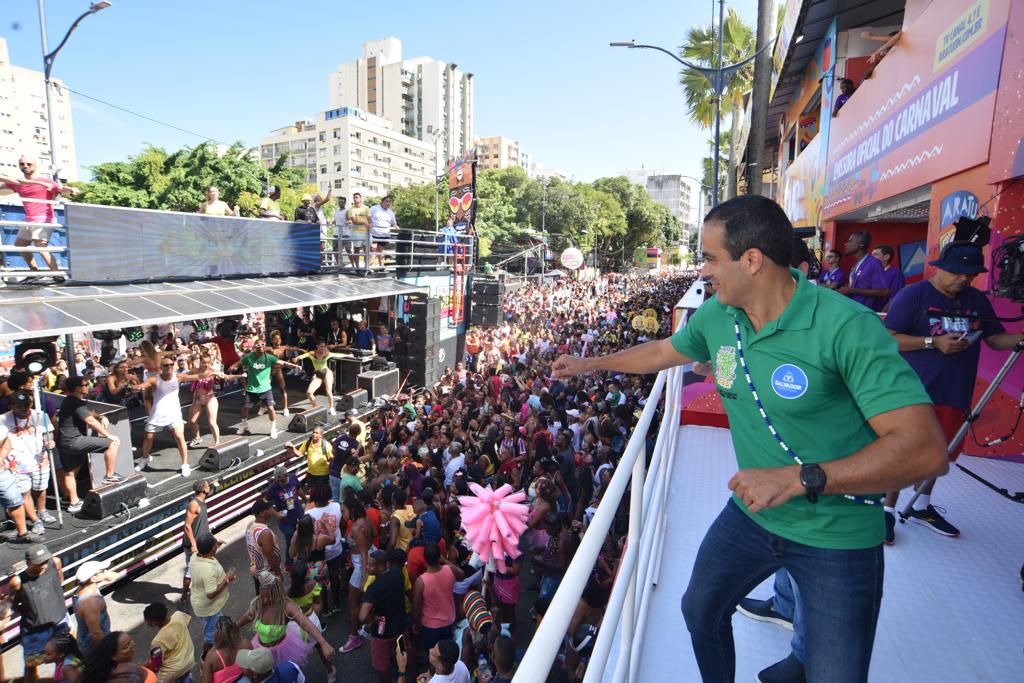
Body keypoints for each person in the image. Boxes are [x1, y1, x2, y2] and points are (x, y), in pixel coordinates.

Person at [552, 194, 947, 682]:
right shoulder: (718, 316)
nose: (702, 271)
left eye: (710, 258)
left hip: (839, 534)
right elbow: (660, 352)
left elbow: (925, 450)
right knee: (699, 611)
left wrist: (797, 479)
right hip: (754, 516)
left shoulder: (848, 326)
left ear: (752, 260)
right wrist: (589, 364)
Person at [883, 241, 1022, 542]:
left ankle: (921, 505)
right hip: (912, 392)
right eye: (958, 272)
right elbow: (889, 338)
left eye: (970, 274)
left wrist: (1018, 338)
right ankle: (886, 510)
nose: (964, 279)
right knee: (903, 451)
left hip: (955, 392)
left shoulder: (976, 299)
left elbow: (995, 339)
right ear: (941, 267)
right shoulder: (914, 295)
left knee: (939, 454)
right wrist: (933, 342)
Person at [235, 571, 332, 669]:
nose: (264, 601)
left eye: (267, 597)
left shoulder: (286, 606)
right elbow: (248, 615)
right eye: (262, 596)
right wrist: (235, 626)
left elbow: (306, 624)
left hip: (282, 652)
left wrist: (323, 643)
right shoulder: (258, 603)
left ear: (275, 592)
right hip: (261, 650)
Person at [0, 155, 79, 272]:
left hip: (44, 219)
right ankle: (35, 271)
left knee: (41, 248)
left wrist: (71, 190)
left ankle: (57, 274)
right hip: (29, 220)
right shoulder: (17, 183)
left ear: (35, 166)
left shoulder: (46, 181)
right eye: (22, 164)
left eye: (29, 164)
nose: (25, 166)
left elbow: (61, 188)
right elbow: (3, 187)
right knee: (20, 245)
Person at [56, 376, 122, 512]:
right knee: (112, 443)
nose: (88, 387)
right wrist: (108, 434)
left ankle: (74, 503)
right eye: (85, 385)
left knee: (70, 473)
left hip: (65, 442)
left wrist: (101, 416)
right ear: (77, 388)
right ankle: (109, 476)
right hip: (74, 440)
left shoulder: (69, 400)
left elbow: (89, 414)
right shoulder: (75, 402)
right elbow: (90, 420)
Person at [136, 356, 210, 476]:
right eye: (166, 365)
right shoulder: (154, 379)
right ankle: (145, 458)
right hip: (157, 414)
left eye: (171, 364)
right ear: (161, 367)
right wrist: (136, 387)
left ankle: (185, 465)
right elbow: (143, 385)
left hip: (174, 413)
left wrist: (214, 372)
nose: (169, 366)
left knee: (179, 437)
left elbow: (198, 376)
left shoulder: (179, 377)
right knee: (148, 437)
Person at [4, 544, 69, 679]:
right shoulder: (17, 581)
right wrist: (33, 612)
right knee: (31, 665)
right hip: (35, 631)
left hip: (60, 622)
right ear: (29, 562)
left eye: (45, 560)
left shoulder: (55, 562)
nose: (44, 565)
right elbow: (14, 605)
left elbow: (60, 580)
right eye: (39, 563)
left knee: (65, 658)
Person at [2, 391, 52, 536]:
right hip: (16, 464)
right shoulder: (3, 419)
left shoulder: (40, 416)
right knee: (25, 493)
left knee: (40, 488)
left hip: (39, 460)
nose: (24, 409)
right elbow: (3, 442)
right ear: (11, 406)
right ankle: (36, 520)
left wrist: (50, 441)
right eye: (20, 406)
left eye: (27, 405)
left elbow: (48, 433)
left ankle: (42, 510)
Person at [232, 338, 301, 440]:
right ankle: (244, 425)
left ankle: (273, 428)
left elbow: (282, 362)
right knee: (245, 408)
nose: (260, 347)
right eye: (258, 345)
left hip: (265, 389)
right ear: (254, 347)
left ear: (264, 346)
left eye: (262, 345)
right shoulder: (249, 357)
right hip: (252, 389)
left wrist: (294, 366)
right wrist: (234, 366)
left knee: (271, 409)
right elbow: (239, 363)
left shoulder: (269, 358)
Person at [358, 550, 408, 683]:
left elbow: (362, 616)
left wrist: (373, 619)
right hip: (401, 629)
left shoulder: (374, 588)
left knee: (382, 665)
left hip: (382, 636)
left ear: (381, 566)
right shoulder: (397, 573)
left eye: (371, 565)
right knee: (402, 656)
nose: (367, 567)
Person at [189, 533, 235, 658]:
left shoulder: (194, 557)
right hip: (209, 609)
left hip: (200, 603)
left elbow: (206, 555)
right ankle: (206, 657)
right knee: (210, 636)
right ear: (211, 549)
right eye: (215, 545)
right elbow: (210, 594)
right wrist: (227, 579)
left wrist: (214, 547)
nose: (217, 545)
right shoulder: (208, 570)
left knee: (215, 627)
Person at [413, 543, 465, 653]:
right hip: (449, 621)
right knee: (446, 654)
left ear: (424, 559)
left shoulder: (421, 581)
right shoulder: (449, 570)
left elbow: (417, 608)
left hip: (430, 627)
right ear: (439, 556)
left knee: (432, 654)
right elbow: (462, 574)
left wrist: (416, 624)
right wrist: (445, 560)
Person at [339, 495, 373, 654]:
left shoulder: (356, 528)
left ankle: (354, 637)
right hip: (368, 559)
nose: (342, 515)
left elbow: (363, 553)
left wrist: (364, 577)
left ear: (352, 511)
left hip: (361, 565)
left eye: (344, 511)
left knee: (352, 602)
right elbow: (374, 536)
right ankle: (369, 625)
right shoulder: (366, 519)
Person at [304, 483, 345, 616]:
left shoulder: (309, 513)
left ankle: (325, 608)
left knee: (320, 583)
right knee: (335, 577)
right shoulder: (337, 506)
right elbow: (342, 523)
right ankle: (337, 603)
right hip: (336, 550)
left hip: (318, 555)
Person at [73, 560, 118, 658]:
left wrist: (104, 575)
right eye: (103, 570)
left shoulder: (87, 588)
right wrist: (110, 650)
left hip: (95, 641)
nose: (106, 571)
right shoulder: (90, 603)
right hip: (95, 647)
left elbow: (114, 576)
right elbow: (96, 633)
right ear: (93, 578)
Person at [142, 601, 195, 683]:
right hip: (189, 661)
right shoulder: (178, 615)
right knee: (186, 679)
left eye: (147, 620)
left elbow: (156, 665)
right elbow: (186, 627)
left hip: (172, 673)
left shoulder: (158, 640)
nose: (146, 622)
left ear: (154, 622)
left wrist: (145, 666)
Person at [264, 465, 305, 566]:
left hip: (298, 514)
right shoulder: (273, 488)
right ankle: (289, 563)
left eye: (283, 480)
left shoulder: (293, 478)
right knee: (290, 540)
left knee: (302, 538)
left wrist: (306, 499)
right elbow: (265, 501)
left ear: (287, 475)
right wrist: (276, 513)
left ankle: (301, 560)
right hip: (286, 520)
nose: (281, 483)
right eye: (279, 481)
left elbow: (298, 489)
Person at [838, 231, 889, 311]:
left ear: (861, 245)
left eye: (850, 241)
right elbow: (862, 286)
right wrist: (847, 289)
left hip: (867, 312)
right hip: (855, 309)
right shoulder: (856, 265)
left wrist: (852, 290)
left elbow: (884, 292)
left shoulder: (874, 263)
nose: (846, 244)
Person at [182, 480, 213, 609]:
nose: (210, 487)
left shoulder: (202, 502)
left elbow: (203, 523)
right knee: (190, 571)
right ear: (204, 490)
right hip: (194, 545)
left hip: (203, 542)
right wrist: (193, 545)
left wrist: (211, 538)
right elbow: (187, 526)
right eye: (208, 486)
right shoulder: (194, 504)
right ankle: (184, 598)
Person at [79, 631, 156, 683]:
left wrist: (143, 667)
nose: (132, 646)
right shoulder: (130, 675)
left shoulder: (109, 670)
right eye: (126, 647)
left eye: (130, 641)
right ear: (114, 656)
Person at [292, 342, 345, 414]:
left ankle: (331, 407)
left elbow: (337, 355)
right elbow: (303, 356)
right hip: (318, 375)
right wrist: (296, 358)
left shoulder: (326, 353)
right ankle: (315, 407)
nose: (323, 348)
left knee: (328, 392)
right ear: (317, 346)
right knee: (309, 392)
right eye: (321, 346)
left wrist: (349, 355)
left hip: (327, 373)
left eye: (324, 346)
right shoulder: (312, 353)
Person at [246, 499, 284, 590]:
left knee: (261, 596)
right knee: (273, 597)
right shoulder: (264, 533)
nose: (271, 510)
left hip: (257, 572)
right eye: (268, 509)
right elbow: (271, 557)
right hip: (268, 575)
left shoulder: (250, 524)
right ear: (262, 513)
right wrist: (278, 573)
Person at [284, 426, 333, 491]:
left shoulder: (326, 445)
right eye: (313, 432)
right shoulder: (307, 443)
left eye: (316, 433)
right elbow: (299, 454)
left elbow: (332, 459)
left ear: (321, 435)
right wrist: (292, 447)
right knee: (312, 492)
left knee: (321, 493)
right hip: (311, 475)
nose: (314, 434)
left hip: (323, 476)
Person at [198, 616, 245, 683]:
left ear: (216, 635)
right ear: (236, 631)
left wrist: (202, 671)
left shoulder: (211, 657)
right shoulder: (244, 645)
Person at [234, 647, 304, 683]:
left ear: (255, 675)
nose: (241, 668)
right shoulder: (290, 666)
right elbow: (302, 680)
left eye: (245, 666)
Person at [871, 244, 905, 311]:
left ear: (886, 257)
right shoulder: (872, 273)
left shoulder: (895, 273)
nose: (871, 258)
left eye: (875, 254)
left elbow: (896, 297)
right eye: (872, 255)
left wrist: (883, 313)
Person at [369, 196, 398, 268]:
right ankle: (369, 267)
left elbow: (394, 223)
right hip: (374, 233)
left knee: (381, 250)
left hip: (384, 234)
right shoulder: (374, 208)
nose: (388, 203)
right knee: (373, 249)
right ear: (382, 202)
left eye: (389, 202)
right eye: (387, 201)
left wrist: (395, 226)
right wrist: (369, 223)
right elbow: (367, 217)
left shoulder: (390, 212)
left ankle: (382, 267)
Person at [347, 192, 371, 269]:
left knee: (367, 250)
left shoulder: (366, 208)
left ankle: (366, 267)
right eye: (354, 197)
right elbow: (354, 222)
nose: (355, 199)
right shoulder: (351, 209)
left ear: (360, 198)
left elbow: (370, 221)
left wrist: (369, 227)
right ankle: (357, 268)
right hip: (356, 231)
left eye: (356, 197)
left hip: (366, 232)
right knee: (356, 250)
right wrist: (364, 222)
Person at [334, 195, 356, 268]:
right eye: (339, 202)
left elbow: (350, 220)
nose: (341, 203)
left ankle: (353, 265)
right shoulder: (337, 211)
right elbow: (335, 220)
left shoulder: (347, 211)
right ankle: (339, 265)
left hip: (345, 233)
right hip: (336, 232)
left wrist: (348, 222)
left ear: (345, 203)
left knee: (348, 249)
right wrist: (331, 222)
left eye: (342, 202)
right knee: (335, 249)